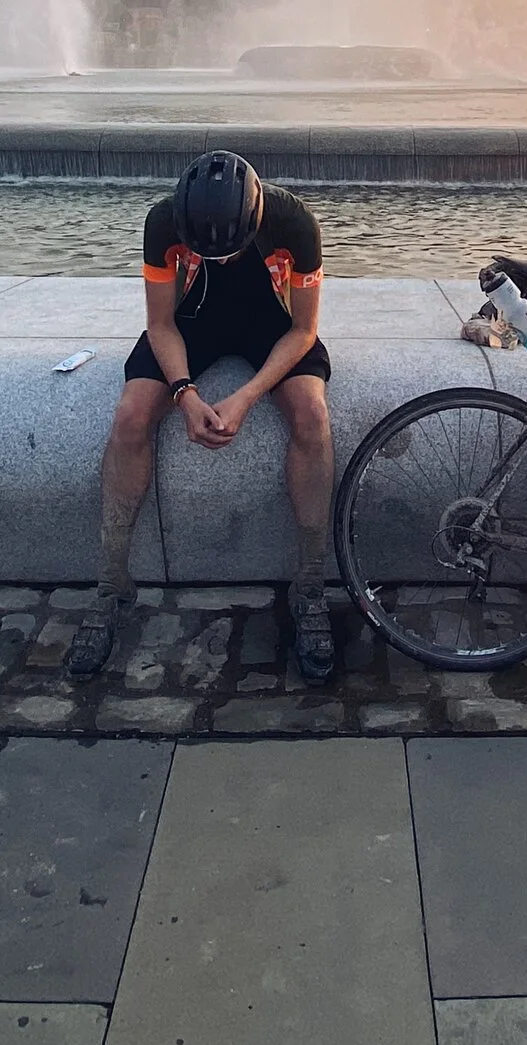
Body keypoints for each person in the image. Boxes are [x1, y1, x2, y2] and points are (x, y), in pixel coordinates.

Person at [67, 150, 336, 683]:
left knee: (311, 415)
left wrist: (247, 395)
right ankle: (110, 583)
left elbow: (303, 331)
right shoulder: (163, 221)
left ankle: (309, 582)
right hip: (192, 322)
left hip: (272, 324)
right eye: (204, 252)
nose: (220, 261)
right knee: (129, 418)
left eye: (230, 251)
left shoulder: (294, 222)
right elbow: (161, 324)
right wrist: (186, 394)